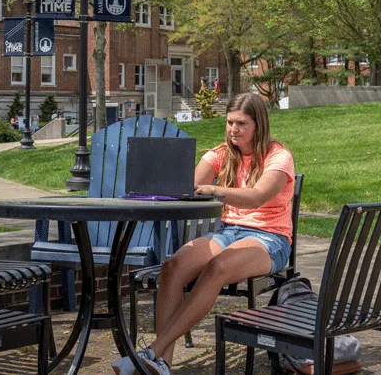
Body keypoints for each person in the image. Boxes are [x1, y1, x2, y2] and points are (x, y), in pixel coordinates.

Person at [111, 93, 295, 375]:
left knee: (217, 267)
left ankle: (152, 353)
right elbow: (186, 186)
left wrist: (216, 190)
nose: (234, 129)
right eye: (230, 122)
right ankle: (163, 364)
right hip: (229, 232)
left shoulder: (279, 156)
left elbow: (257, 197)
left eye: (242, 124)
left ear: (259, 125)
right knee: (173, 267)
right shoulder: (222, 154)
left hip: (269, 238)